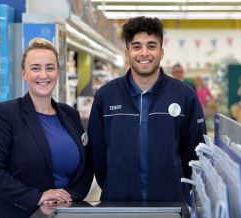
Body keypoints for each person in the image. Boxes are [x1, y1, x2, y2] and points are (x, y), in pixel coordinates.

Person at [88, 16, 206, 203]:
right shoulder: (106, 95)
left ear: (161, 52)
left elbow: (195, 151)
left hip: (171, 204)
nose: (144, 53)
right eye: (136, 46)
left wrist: (177, 185)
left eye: (151, 46)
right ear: (127, 53)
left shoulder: (184, 95)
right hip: (118, 204)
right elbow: (97, 153)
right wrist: (115, 181)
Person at [0, 38, 93, 218]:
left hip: (63, 213)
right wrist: (36, 197)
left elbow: (87, 167)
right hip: (16, 213)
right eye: (35, 68)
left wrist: (69, 197)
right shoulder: (7, 113)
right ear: (23, 73)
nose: (43, 75)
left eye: (50, 67)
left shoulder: (70, 114)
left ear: (57, 72)